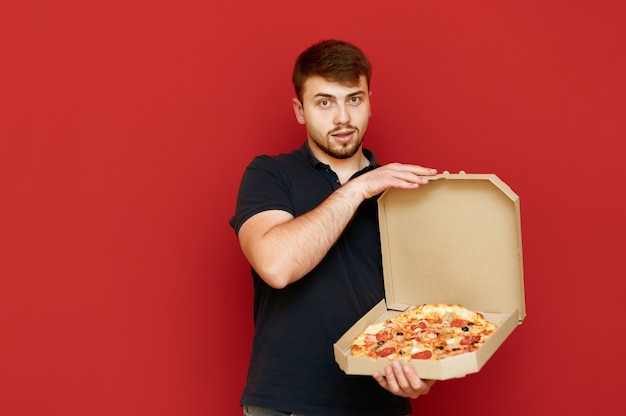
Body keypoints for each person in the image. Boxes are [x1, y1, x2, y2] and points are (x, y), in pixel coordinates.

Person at [229, 39, 438, 416]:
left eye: (353, 99)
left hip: (380, 405)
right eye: (325, 102)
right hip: (286, 405)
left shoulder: (402, 190)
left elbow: (421, 306)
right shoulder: (269, 175)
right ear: (300, 110)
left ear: (370, 101)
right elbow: (276, 266)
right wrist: (358, 188)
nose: (342, 117)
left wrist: (423, 372)